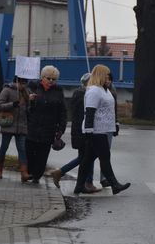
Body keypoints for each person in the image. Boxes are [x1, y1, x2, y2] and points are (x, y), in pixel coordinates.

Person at [74, 65, 130, 195]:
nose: (108, 78)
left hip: (104, 129)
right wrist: (88, 131)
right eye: (106, 75)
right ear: (100, 75)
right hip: (96, 130)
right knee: (105, 157)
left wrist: (115, 124)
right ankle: (114, 184)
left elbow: (110, 110)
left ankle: (79, 186)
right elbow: (90, 111)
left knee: (87, 160)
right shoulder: (94, 91)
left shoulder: (105, 90)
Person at [50, 73, 99, 192]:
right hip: (83, 131)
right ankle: (62, 173)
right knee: (86, 157)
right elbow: (87, 114)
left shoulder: (78, 93)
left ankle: (87, 182)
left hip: (78, 130)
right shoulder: (85, 95)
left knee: (87, 156)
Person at [26, 66, 67, 183]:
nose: (51, 81)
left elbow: (62, 111)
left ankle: (37, 176)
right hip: (32, 127)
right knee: (29, 152)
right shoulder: (33, 88)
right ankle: (29, 172)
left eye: (54, 79)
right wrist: (30, 101)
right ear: (42, 77)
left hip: (49, 128)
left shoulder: (58, 91)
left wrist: (61, 129)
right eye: (48, 78)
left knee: (42, 155)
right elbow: (25, 108)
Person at [0, 76, 30, 182]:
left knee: (22, 149)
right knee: (4, 148)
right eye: (21, 83)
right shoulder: (7, 90)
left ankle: (24, 173)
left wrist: (31, 101)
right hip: (8, 124)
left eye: (25, 83)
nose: (23, 85)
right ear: (16, 82)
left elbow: (28, 110)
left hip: (22, 126)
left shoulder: (27, 92)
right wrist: (13, 104)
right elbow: (0, 105)